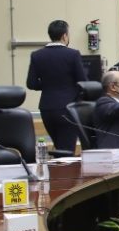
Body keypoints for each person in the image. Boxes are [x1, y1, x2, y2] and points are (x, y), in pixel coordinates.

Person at [27, 19, 86, 154]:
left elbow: (31, 83)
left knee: (59, 148)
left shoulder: (36, 55)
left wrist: (49, 83)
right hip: (68, 109)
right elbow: (82, 82)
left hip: (46, 108)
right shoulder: (73, 54)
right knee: (67, 151)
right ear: (64, 36)